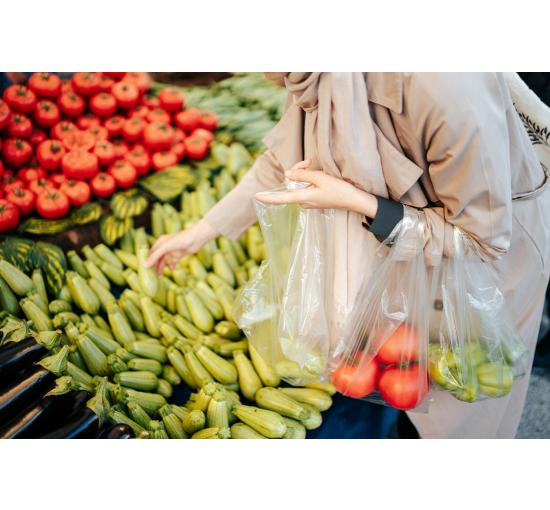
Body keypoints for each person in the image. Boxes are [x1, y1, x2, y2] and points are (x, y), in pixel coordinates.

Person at [147, 72, 550, 438]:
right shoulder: (318, 70)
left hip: (481, 272)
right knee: (413, 393)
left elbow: (482, 241)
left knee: (462, 415)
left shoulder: (444, 82)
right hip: (406, 256)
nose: (271, 78)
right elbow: (287, 156)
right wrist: (203, 231)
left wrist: (361, 203)